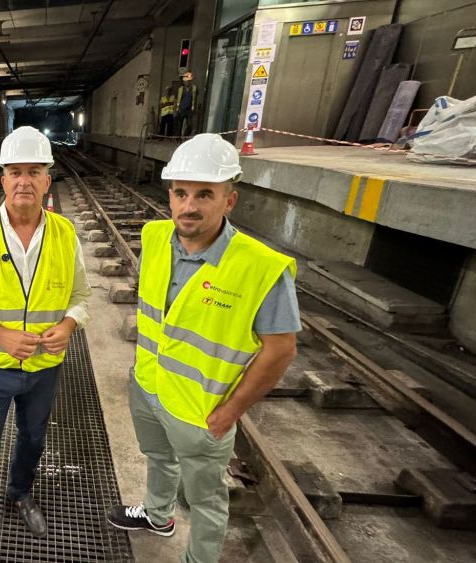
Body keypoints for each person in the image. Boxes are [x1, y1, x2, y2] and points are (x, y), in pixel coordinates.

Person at [107, 134, 300, 563]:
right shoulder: (155, 236)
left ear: (229, 200)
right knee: (157, 458)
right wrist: (143, 382)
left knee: (207, 500)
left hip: (202, 410)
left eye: (204, 195)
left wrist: (229, 413)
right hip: (148, 387)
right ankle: (158, 517)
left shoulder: (260, 267)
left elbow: (281, 350)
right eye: (180, 193)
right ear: (170, 194)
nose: (189, 206)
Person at [0, 126, 91, 562]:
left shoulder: (66, 233)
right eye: (14, 172)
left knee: (32, 439)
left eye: (34, 171)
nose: (23, 180)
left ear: (48, 179)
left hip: (45, 368)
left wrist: (68, 325)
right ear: (2, 179)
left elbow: (81, 297)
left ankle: (20, 493)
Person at [176, 71, 198, 137]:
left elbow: (195, 98)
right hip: (181, 108)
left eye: (188, 81)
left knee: (189, 124)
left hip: (189, 109)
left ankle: (185, 136)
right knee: (179, 125)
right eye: (185, 81)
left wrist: (194, 107)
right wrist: (177, 109)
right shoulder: (181, 89)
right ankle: (178, 138)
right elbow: (177, 99)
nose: (186, 82)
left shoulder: (194, 88)